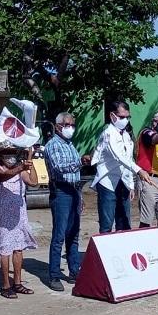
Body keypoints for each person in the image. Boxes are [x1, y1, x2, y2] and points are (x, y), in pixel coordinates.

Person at [44, 112, 90, 292]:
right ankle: (54, 275)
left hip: (73, 190)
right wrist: (80, 162)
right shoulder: (53, 145)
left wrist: (80, 195)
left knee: (74, 233)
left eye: (72, 124)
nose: (71, 128)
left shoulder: (70, 144)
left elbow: (75, 174)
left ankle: (74, 270)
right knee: (59, 235)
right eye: (67, 124)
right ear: (58, 126)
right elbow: (59, 167)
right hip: (61, 190)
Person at [0, 145, 40, 299]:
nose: (10, 156)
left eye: (12, 153)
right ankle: (5, 284)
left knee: (18, 248)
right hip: (3, 215)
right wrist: (20, 168)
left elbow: (33, 182)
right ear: (0, 155)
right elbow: (3, 176)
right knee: (5, 249)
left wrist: (31, 165)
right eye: (6, 153)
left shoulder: (20, 168)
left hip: (19, 213)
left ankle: (17, 282)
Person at [91, 100, 150, 233]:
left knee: (124, 222)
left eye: (127, 117)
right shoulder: (108, 134)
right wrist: (139, 170)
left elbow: (128, 160)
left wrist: (131, 185)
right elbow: (119, 157)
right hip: (108, 182)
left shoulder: (126, 136)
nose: (125, 120)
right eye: (122, 117)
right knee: (107, 223)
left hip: (123, 182)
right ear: (113, 116)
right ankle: (105, 251)